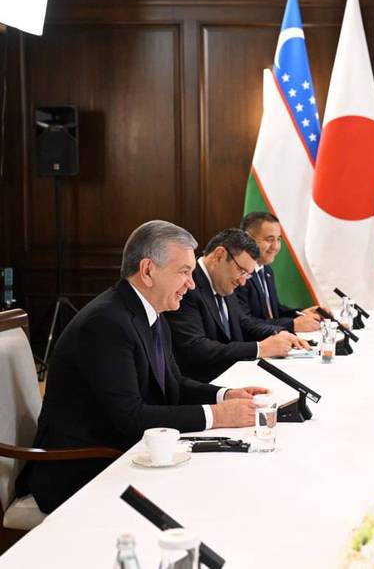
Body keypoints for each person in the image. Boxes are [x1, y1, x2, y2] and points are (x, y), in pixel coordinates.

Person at [15, 220, 268, 514]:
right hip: (81, 470)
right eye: (184, 272)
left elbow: (174, 384)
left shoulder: (151, 313)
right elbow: (131, 417)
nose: (191, 284)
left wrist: (225, 395)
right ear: (148, 271)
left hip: (123, 453)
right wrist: (216, 415)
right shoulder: (106, 323)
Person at [166, 228, 309, 382]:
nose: (242, 282)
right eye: (241, 271)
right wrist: (259, 348)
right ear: (219, 255)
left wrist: (279, 333)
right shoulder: (187, 286)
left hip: (234, 376)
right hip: (203, 384)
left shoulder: (223, 281)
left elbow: (244, 323)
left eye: (247, 275)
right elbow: (196, 348)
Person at [236, 211, 321, 333]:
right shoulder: (239, 274)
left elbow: (274, 312)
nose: (276, 247)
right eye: (270, 239)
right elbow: (245, 323)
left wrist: (301, 313)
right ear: (248, 239)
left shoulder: (266, 270)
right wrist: (291, 325)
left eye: (278, 239)